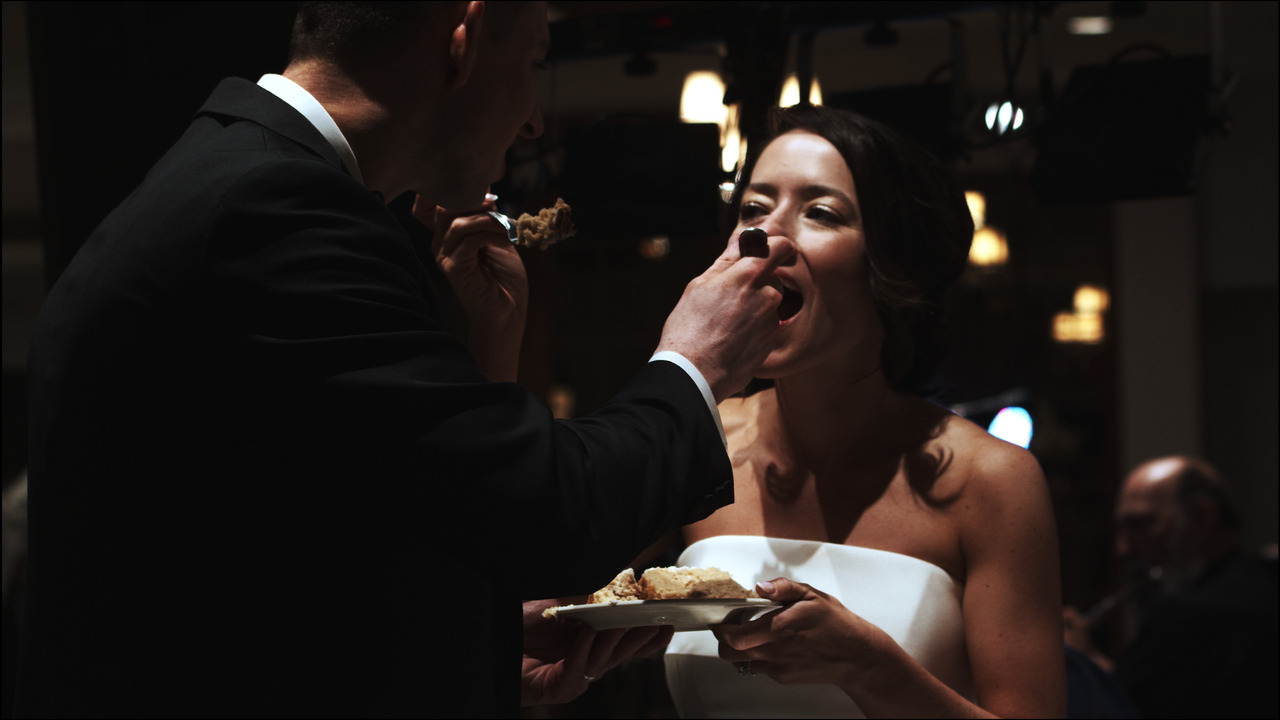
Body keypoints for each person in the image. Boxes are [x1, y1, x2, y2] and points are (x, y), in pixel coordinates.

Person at [14, 3, 795, 717]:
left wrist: (478, 634)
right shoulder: (276, 211)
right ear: (464, 39)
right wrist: (695, 360)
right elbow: (544, 512)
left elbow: (297, 547)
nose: (531, 122)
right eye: (533, 62)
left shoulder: (243, 174)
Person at [650, 104, 1067, 717]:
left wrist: (870, 669)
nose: (766, 235)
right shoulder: (696, 440)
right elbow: (528, 588)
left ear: (888, 266)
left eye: (820, 212)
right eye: (753, 209)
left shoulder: (992, 482)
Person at [1063, 456, 1279, 719]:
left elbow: (1126, 709)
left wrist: (1078, 659)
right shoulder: (1260, 582)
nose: (1123, 548)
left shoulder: (1195, 613)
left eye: (1141, 524)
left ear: (1202, 517)